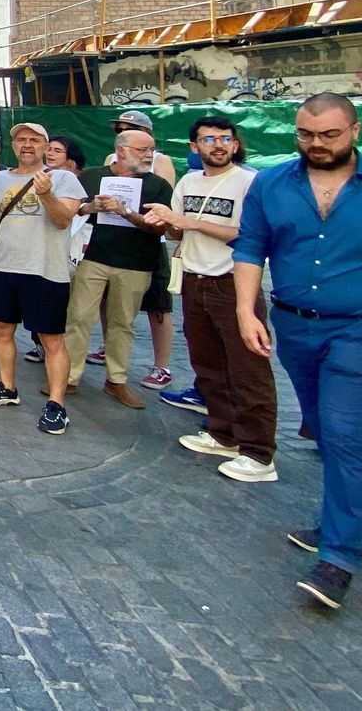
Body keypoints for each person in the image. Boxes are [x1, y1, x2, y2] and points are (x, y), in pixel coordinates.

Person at [232, 93, 362, 610]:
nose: (316, 144)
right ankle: (352, 524)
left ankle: (339, 557)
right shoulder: (270, 184)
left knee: (343, 433)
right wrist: (245, 311)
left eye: (329, 135)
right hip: (294, 329)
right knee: (326, 428)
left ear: (355, 130)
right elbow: (251, 246)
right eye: (305, 134)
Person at [139, 115, 276, 482]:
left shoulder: (251, 182)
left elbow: (249, 237)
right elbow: (175, 229)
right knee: (208, 364)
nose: (217, 145)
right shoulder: (188, 181)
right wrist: (163, 221)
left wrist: (190, 223)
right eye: (208, 139)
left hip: (234, 283)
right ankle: (222, 434)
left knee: (248, 369)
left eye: (224, 138)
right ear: (194, 146)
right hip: (194, 281)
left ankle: (259, 453)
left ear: (235, 144)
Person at [0, 123, 87, 435]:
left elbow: (63, 220)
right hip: (5, 266)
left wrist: (46, 193)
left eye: (34, 140)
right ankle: (7, 388)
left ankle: (57, 404)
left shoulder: (63, 178)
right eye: (21, 139)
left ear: (46, 146)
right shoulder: (0, 178)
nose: (27, 145)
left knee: (51, 339)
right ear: (13, 145)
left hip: (46, 270)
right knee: (0, 329)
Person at [62, 129, 173, 411]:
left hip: (136, 263)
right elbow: (71, 210)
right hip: (92, 258)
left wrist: (125, 212)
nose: (149, 155)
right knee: (78, 318)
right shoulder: (91, 176)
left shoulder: (158, 185)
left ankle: (117, 380)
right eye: (142, 149)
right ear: (122, 151)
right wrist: (90, 206)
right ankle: (68, 377)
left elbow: (160, 227)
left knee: (122, 323)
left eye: (151, 149)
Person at [92, 109, 178, 388]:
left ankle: (161, 365)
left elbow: (164, 198)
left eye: (128, 128)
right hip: (112, 239)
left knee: (158, 306)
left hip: (150, 242)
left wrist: (128, 209)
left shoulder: (161, 161)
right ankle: (108, 346)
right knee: (108, 300)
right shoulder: (110, 159)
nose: (121, 132)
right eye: (119, 130)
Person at [23, 135, 89, 363]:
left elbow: (66, 217)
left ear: (71, 158)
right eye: (49, 149)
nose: (51, 154)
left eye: (57, 151)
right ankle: (40, 344)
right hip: (35, 250)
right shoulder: (33, 176)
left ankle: (60, 354)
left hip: (68, 251)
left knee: (64, 307)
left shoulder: (75, 180)